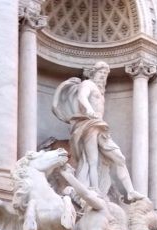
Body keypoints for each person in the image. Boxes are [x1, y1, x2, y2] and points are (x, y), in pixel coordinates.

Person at [52, 61, 144, 204]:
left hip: (100, 126)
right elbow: (82, 97)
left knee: (119, 158)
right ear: (94, 73)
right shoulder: (87, 84)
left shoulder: (101, 90)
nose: (103, 77)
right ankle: (94, 188)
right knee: (92, 160)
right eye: (101, 73)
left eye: (105, 74)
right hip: (88, 124)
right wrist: (89, 109)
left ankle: (131, 192)